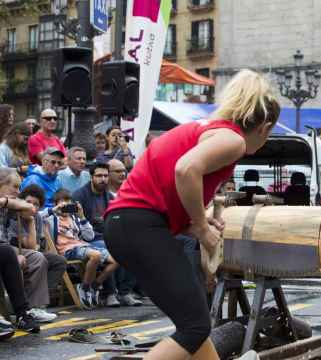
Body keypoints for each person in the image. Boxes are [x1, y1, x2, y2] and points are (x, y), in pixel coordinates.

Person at [103, 69, 279, 360]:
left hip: (127, 224)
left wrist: (189, 223)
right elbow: (186, 170)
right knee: (196, 327)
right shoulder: (232, 140)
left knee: (192, 326)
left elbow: (164, 188)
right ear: (265, 127)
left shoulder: (206, 129)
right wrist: (201, 226)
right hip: (139, 226)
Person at [74, 162, 134, 307]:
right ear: (91, 177)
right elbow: (76, 226)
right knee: (111, 246)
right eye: (99, 176)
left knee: (133, 245)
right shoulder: (79, 196)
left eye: (106, 176)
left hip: (107, 235)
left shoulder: (110, 196)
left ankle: (124, 292)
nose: (103, 179)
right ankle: (109, 293)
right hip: (86, 238)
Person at [47, 189, 118, 309]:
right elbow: (38, 214)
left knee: (116, 259)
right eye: (62, 203)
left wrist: (82, 216)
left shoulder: (75, 219)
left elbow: (89, 236)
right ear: (56, 204)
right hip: (66, 250)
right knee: (95, 255)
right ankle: (84, 287)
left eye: (68, 203)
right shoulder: (51, 219)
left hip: (82, 246)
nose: (66, 206)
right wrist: (54, 210)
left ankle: (94, 286)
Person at [7, 185, 66, 322]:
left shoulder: (37, 217)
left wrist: (33, 220)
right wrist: (30, 221)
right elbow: (31, 245)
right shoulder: (15, 215)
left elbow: (35, 245)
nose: (32, 207)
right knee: (38, 258)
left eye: (36, 204)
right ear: (21, 202)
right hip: (13, 251)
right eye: (28, 202)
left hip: (31, 252)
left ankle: (39, 305)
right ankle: (32, 306)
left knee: (58, 261)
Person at [0, 168, 40, 333]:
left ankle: (23, 315)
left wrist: (6, 202)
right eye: (14, 187)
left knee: (12, 253)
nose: (18, 192)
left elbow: (30, 209)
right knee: (9, 253)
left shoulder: (7, 202)